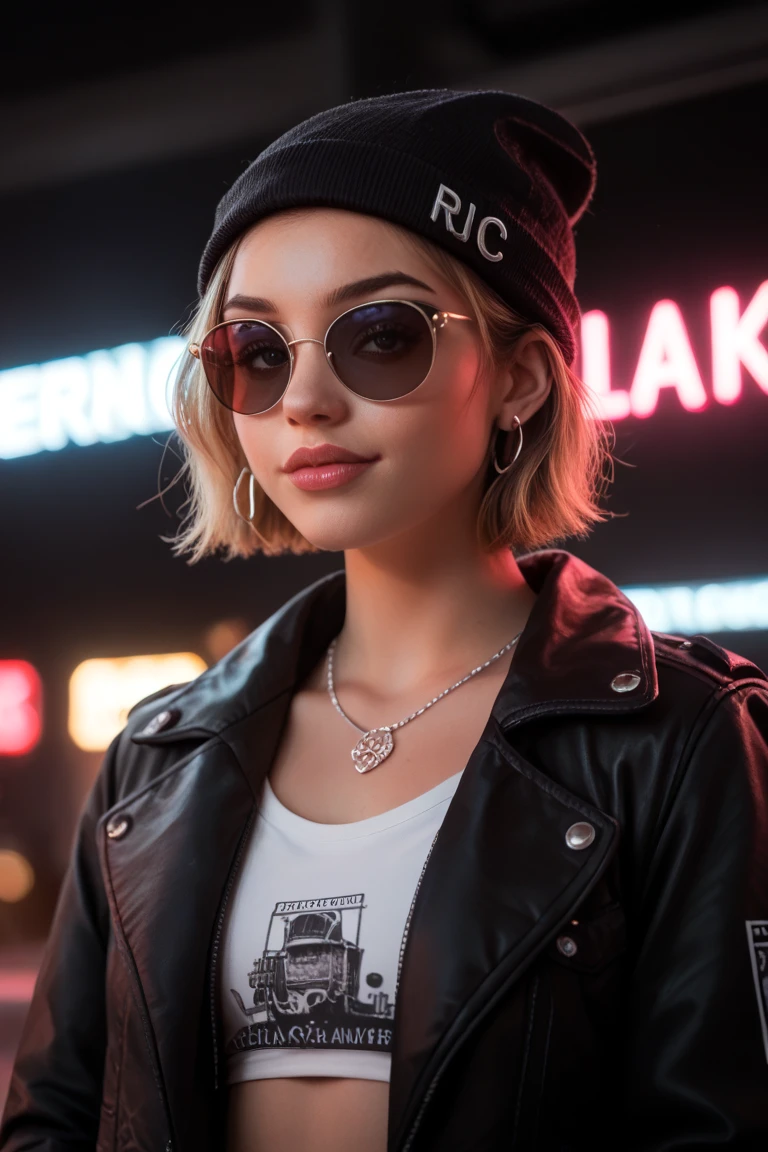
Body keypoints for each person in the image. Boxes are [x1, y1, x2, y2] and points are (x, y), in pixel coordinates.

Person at [2, 88, 768, 1152]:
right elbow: (55, 1122)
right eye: (257, 353)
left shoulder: (685, 741)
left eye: (380, 334)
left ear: (519, 378)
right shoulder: (157, 757)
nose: (305, 398)